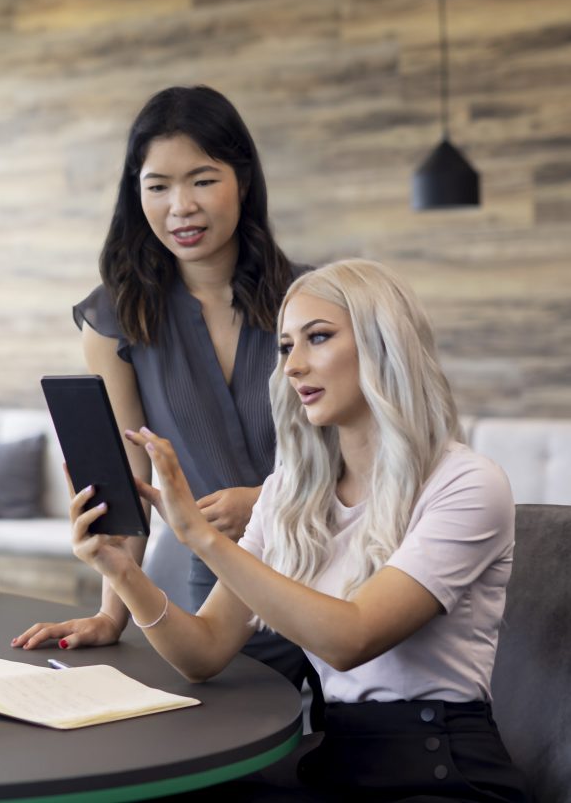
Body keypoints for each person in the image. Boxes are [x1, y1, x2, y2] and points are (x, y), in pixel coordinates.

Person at [67, 259, 528, 802]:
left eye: (319, 338)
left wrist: (202, 537)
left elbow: (349, 639)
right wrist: (121, 570)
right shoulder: (291, 491)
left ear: (384, 345)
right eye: (286, 347)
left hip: (442, 767)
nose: (293, 366)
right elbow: (204, 652)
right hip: (337, 757)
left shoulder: (467, 484)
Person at [13, 85, 316, 698]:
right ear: (137, 194)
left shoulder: (313, 302)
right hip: (204, 609)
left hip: (323, 575)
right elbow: (127, 488)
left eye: (203, 180)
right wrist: (111, 613)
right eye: (158, 186)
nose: (181, 207)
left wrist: (262, 499)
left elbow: (360, 465)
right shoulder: (116, 318)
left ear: (244, 180)